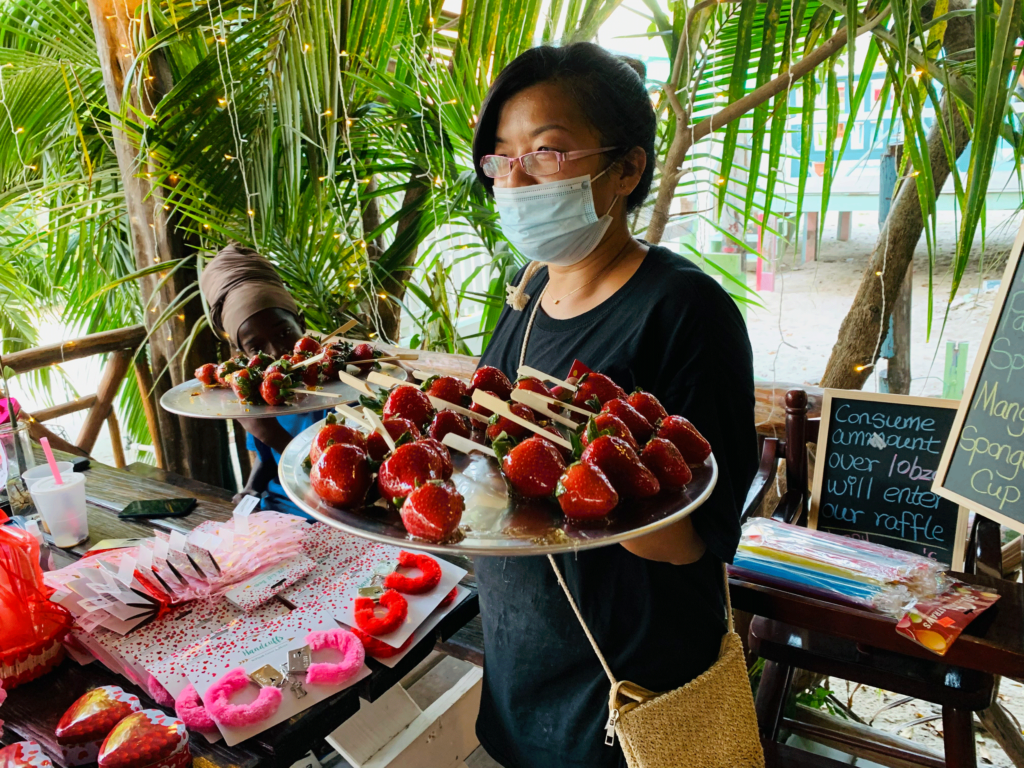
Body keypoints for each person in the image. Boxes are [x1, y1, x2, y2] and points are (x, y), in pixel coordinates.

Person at [470, 43, 758, 767]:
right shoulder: (528, 291)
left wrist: (606, 473)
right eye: (501, 158)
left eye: (547, 152)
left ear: (626, 168)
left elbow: (696, 541)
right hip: (520, 673)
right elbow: (493, 470)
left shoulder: (685, 311)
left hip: (630, 697)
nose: (516, 178)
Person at [199, 243, 324, 518]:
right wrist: (251, 489)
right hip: (275, 509)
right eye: (256, 347)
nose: (277, 352)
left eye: (284, 333)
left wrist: (271, 433)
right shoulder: (257, 388)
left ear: (301, 324)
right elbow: (266, 459)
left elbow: (331, 478)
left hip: (322, 514)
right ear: (242, 353)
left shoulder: (336, 387)